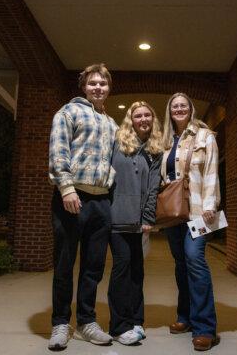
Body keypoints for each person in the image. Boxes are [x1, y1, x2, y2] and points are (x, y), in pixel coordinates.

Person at [48, 63, 118, 350]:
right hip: (72, 197)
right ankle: (61, 324)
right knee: (64, 264)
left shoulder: (112, 123)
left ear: (108, 88)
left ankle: (86, 322)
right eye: (93, 83)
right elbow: (58, 149)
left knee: (93, 267)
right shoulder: (68, 112)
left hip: (101, 201)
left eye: (103, 83)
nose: (98, 87)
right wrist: (66, 188)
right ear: (84, 86)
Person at [160, 92, 220, 351]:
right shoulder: (165, 141)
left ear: (191, 109)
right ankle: (184, 316)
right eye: (175, 106)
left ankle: (205, 327)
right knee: (181, 264)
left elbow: (211, 171)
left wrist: (210, 206)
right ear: (170, 112)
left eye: (183, 105)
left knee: (195, 259)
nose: (179, 109)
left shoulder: (205, 136)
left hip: (199, 211)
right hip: (173, 213)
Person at [108, 101, 163, 345]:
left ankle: (136, 320)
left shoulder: (154, 151)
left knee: (137, 271)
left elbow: (153, 189)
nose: (143, 119)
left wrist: (149, 217)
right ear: (131, 119)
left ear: (153, 120)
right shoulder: (117, 142)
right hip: (116, 218)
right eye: (137, 115)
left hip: (139, 222)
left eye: (147, 115)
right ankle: (119, 327)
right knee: (122, 269)